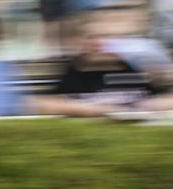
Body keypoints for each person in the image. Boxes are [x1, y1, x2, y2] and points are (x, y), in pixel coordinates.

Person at [26, 16, 158, 117]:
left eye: (108, 37)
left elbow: (172, 97)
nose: (100, 43)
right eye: (92, 37)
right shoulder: (74, 72)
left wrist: (147, 107)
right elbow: (39, 104)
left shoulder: (134, 69)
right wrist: (100, 111)